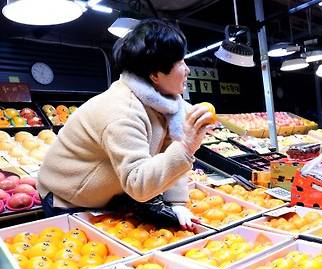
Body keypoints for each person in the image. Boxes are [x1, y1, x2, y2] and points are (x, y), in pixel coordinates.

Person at [38, 19, 212, 228]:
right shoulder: (123, 111)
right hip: (69, 198)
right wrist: (186, 146)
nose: (188, 70)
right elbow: (138, 183)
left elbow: (167, 151)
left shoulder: (168, 105)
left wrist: (176, 202)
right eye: (180, 63)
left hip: (113, 195)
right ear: (155, 75)